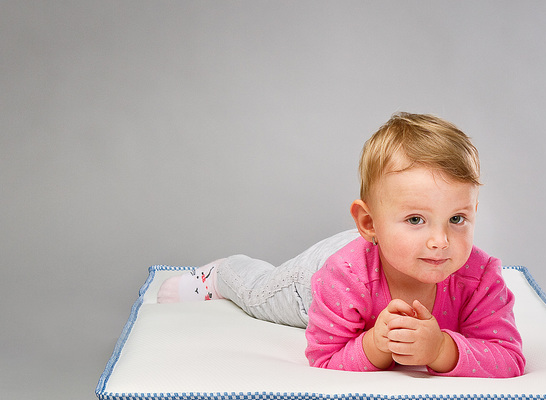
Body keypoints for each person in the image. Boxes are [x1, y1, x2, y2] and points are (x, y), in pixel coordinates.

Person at [158, 113, 525, 378]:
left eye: (457, 219)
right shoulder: (341, 276)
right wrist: (376, 346)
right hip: (319, 276)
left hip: (377, 250)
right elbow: (324, 358)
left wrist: (441, 349)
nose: (440, 241)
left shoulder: (481, 278)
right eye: (416, 220)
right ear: (369, 223)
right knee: (259, 296)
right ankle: (222, 273)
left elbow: (508, 357)